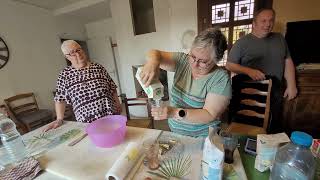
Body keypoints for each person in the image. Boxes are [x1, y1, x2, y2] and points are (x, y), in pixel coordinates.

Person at [140, 28, 231, 137]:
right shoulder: (183, 61)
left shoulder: (220, 78)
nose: (194, 63)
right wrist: (153, 62)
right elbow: (154, 53)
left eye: (203, 61)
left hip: (202, 137)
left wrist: (173, 113)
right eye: (192, 56)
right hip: (175, 131)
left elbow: (209, 114)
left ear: (216, 60)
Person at [226, 8, 297, 133]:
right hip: (249, 89)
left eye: (271, 20)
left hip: (275, 89)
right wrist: (249, 71)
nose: (268, 24)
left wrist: (292, 85)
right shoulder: (242, 43)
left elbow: (288, 61)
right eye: (263, 21)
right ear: (254, 23)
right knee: (245, 125)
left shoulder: (279, 38)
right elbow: (230, 65)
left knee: (272, 125)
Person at [44, 40, 121, 131]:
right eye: (72, 52)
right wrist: (59, 119)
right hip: (86, 121)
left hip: (109, 115)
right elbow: (59, 99)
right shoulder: (65, 75)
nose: (78, 54)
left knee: (114, 139)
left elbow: (111, 87)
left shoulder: (98, 67)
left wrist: (117, 102)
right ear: (67, 57)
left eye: (79, 50)